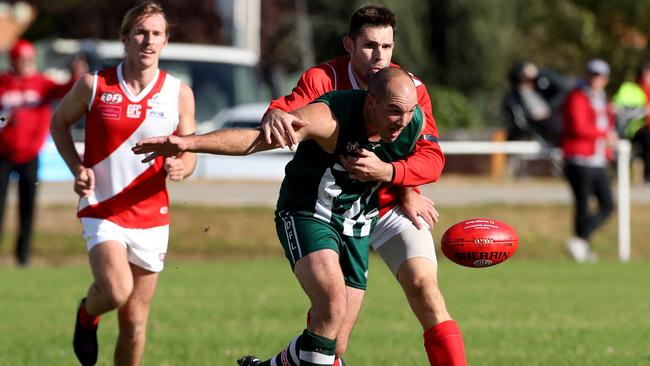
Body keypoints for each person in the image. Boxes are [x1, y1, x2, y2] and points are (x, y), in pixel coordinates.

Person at [133, 66, 427, 366]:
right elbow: (257, 140)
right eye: (394, 111)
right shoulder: (330, 119)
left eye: (409, 111)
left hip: (356, 223)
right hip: (307, 213)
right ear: (371, 102)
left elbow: (428, 162)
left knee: (335, 343)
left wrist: (401, 183)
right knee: (332, 307)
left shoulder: (412, 123)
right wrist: (188, 143)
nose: (402, 121)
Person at [258, 5, 465, 365]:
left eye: (386, 47)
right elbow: (286, 115)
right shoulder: (323, 78)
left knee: (425, 289)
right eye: (369, 46)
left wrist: (396, 179)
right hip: (330, 210)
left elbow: (431, 159)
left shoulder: (408, 89)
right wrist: (274, 111)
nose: (379, 56)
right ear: (349, 45)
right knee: (334, 334)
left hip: (389, 205)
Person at [50, 2, 196, 365]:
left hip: (152, 216)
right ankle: (88, 313)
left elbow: (190, 151)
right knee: (116, 290)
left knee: (134, 320)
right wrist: (76, 167)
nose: (148, 41)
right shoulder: (95, 84)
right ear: (125, 39)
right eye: (141, 33)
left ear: (166, 41)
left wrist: (183, 166)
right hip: (102, 208)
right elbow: (58, 123)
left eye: (156, 34)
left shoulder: (179, 93)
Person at [0, 38, 87, 266]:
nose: (27, 63)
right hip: (3, 155)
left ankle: (23, 257)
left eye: (30, 59)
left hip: (30, 154)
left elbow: (65, 90)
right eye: (23, 59)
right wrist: (4, 120)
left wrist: (76, 75)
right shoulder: (3, 83)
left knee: (27, 208)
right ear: (14, 61)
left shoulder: (41, 83)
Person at [561, 59, 616, 262]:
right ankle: (581, 245)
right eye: (593, 74)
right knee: (582, 205)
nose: (596, 79)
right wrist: (603, 134)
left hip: (598, 160)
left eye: (600, 76)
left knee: (608, 205)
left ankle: (580, 241)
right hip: (579, 159)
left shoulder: (602, 99)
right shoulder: (577, 96)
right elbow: (578, 126)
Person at [501, 61, 569, 147]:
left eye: (530, 79)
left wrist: (539, 72)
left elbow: (564, 87)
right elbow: (520, 122)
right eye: (523, 79)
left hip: (554, 132)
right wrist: (533, 118)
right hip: (531, 135)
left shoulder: (541, 89)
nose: (528, 82)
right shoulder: (514, 99)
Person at [612, 62, 650, 184]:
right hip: (635, 129)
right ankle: (648, 177)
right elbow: (616, 107)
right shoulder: (630, 89)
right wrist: (642, 111)